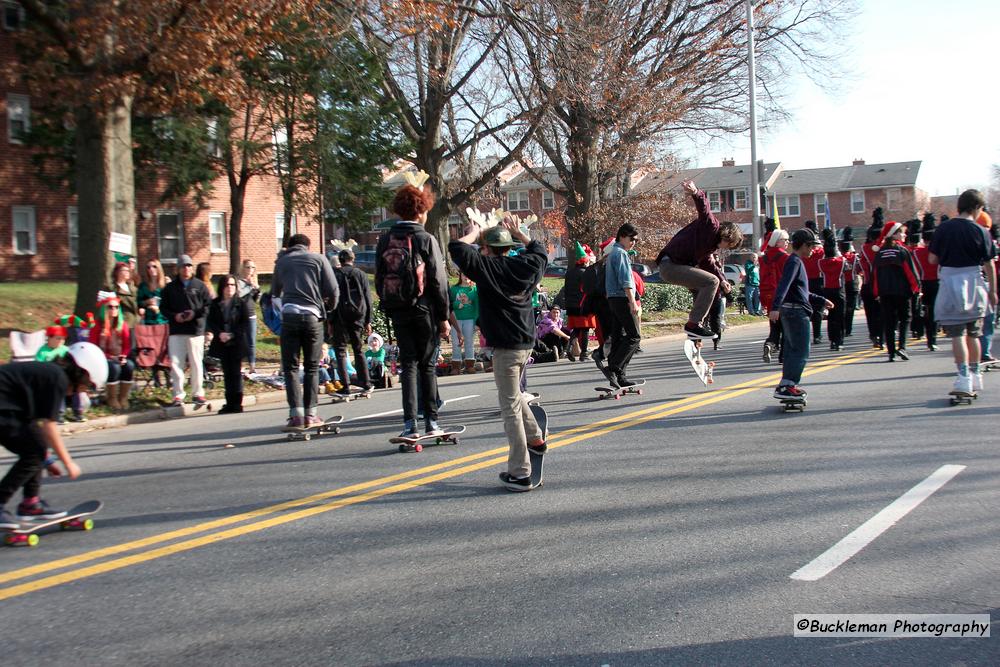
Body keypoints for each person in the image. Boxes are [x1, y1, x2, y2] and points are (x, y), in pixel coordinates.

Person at [449, 217, 547, 492]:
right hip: (526, 341)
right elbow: (540, 252)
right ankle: (536, 439)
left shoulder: (485, 267)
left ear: (488, 248)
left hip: (505, 346)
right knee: (514, 396)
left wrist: (475, 233)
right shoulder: (526, 264)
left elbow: (456, 247)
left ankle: (520, 472)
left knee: (509, 407)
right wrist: (521, 234)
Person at [0, 342, 107, 528]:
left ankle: (31, 504)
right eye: (87, 386)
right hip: (3, 410)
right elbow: (49, 426)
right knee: (34, 453)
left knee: (36, 449)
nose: (84, 390)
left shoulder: (50, 374)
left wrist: (47, 460)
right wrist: (68, 462)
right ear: (81, 372)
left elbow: (36, 426)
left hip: (8, 409)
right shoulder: (57, 379)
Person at [375, 180, 450, 438]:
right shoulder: (425, 238)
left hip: (398, 309)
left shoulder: (386, 239)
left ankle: (410, 423)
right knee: (427, 365)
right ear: (421, 211)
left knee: (408, 365)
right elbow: (439, 281)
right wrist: (443, 317)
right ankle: (431, 420)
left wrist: (389, 305)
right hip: (424, 309)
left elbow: (379, 278)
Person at [928, 189, 997, 394]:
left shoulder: (943, 229)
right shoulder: (981, 231)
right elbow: (989, 264)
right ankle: (976, 375)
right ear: (976, 207)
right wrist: (993, 290)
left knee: (957, 334)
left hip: (950, 281)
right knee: (974, 333)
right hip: (975, 282)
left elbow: (932, 259)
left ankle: (964, 376)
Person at [655, 179, 742, 339]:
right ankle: (693, 324)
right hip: (670, 266)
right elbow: (704, 209)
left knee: (705, 286)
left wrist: (722, 279)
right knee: (711, 282)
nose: (725, 248)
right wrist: (696, 192)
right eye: (728, 245)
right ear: (727, 236)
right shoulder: (711, 226)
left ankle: (695, 333)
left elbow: (708, 262)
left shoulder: (709, 247)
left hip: (676, 267)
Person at [271, 234, 339, 429]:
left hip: (290, 317)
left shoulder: (282, 262)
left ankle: (296, 415)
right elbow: (333, 290)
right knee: (311, 366)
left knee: (291, 367)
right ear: (307, 246)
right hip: (312, 317)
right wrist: (329, 308)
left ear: (290, 246)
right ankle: (311, 414)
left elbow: (275, 292)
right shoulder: (318, 259)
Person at [769, 229, 834, 400]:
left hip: (792, 309)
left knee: (792, 350)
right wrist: (775, 307)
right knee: (801, 351)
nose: (813, 249)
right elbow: (784, 284)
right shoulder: (795, 261)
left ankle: (786, 384)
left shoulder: (795, 261)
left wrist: (821, 300)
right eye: (811, 246)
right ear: (804, 245)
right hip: (796, 312)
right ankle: (788, 384)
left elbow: (801, 291)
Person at [160, 254, 212, 407]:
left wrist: (194, 314)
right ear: (178, 268)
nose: (187, 268)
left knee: (196, 363)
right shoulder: (170, 288)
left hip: (195, 330)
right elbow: (163, 308)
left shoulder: (199, 285)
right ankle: (178, 395)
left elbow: (208, 306)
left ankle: (198, 393)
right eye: (183, 266)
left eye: (189, 265)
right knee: (176, 364)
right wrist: (174, 316)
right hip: (177, 330)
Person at [872, 220, 921, 362]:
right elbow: (910, 272)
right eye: (902, 232)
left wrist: (876, 293)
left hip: (885, 293)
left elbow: (874, 274)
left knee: (889, 322)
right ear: (894, 235)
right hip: (902, 292)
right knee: (905, 319)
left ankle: (891, 352)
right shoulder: (902, 251)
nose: (904, 235)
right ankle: (902, 347)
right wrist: (916, 289)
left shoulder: (880, 253)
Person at [603, 223, 642, 387]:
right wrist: (632, 302)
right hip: (621, 298)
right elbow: (626, 280)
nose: (633, 242)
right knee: (634, 336)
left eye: (635, 240)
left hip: (613, 299)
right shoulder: (620, 254)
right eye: (632, 239)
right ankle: (613, 367)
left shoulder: (613, 253)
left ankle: (620, 377)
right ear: (623, 236)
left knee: (618, 338)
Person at [331, 248, 373, 395]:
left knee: (341, 351)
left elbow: (331, 297)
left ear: (340, 261)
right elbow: (368, 298)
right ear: (352, 259)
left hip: (340, 316)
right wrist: (368, 320)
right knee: (358, 349)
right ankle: (366, 383)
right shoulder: (360, 274)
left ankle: (346, 385)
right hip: (358, 315)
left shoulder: (335, 275)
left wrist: (330, 321)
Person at [207, 274, 251, 414]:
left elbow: (245, 323)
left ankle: (237, 403)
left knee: (236, 373)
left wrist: (232, 334)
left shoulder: (240, 303)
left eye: (232, 285)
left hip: (236, 342)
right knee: (227, 373)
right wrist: (219, 333)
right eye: (227, 285)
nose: (230, 288)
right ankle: (229, 402)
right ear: (222, 287)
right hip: (222, 342)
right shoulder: (215, 304)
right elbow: (211, 321)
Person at [88, 292, 135, 411]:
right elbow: (93, 347)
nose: (114, 309)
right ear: (104, 308)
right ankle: (112, 398)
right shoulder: (97, 326)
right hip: (102, 358)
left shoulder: (122, 325)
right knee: (114, 368)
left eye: (116, 307)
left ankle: (123, 397)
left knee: (129, 366)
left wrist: (123, 356)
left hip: (118, 356)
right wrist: (109, 356)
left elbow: (127, 345)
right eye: (110, 307)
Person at [760, 228, 790, 362]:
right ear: (777, 242)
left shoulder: (764, 258)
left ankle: (770, 343)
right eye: (785, 240)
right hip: (782, 295)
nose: (787, 242)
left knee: (774, 326)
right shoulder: (785, 257)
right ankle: (783, 356)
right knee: (786, 328)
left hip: (768, 295)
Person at [563, 242, 596, 361]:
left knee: (576, 329)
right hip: (582, 305)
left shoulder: (569, 273)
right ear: (585, 261)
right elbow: (589, 289)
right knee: (585, 329)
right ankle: (584, 354)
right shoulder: (585, 273)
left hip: (571, 305)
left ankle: (569, 348)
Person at [912, 214, 940, 351]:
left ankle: (924, 334)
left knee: (925, 312)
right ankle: (932, 340)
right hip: (937, 283)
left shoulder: (917, 252)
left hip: (922, 284)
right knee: (934, 313)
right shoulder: (939, 251)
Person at [859, 209, 885, 349]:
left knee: (871, 314)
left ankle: (874, 335)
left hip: (868, 285)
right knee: (883, 313)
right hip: (883, 285)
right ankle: (882, 336)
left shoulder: (864, 248)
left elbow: (860, 267)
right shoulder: (886, 248)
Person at [818, 229, 847, 351]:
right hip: (839, 291)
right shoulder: (841, 261)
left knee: (831, 317)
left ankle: (832, 341)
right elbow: (845, 265)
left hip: (827, 291)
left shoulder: (821, 262)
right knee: (840, 317)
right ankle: (839, 341)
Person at [448, 271, 479, 374]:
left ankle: (470, 365)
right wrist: (457, 304)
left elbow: (477, 307)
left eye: (468, 274)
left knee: (469, 343)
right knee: (456, 343)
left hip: (470, 320)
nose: (466, 276)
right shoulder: (454, 289)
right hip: (456, 320)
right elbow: (449, 304)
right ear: (460, 276)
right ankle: (456, 367)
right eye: (464, 274)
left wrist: (476, 322)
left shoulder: (474, 289)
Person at [978, 221, 999, 362]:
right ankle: (980, 353)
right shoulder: (979, 239)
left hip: (983, 282)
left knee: (988, 321)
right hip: (979, 283)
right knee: (983, 320)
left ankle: (984, 352)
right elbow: (989, 264)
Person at [237, 259, 261, 374]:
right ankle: (240, 365)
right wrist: (250, 286)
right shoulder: (239, 282)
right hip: (240, 315)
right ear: (243, 268)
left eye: (252, 268)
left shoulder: (254, 282)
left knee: (252, 342)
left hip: (251, 314)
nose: (250, 270)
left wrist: (257, 290)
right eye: (248, 267)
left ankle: (252, 366)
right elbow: (239, 295)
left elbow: (255, 300)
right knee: (241, 341)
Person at [838, 229, 860, 338]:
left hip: (842, 285)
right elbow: (860, 270)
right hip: (853, 284)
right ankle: (848, 329)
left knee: (843, 308)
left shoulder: (839, 258)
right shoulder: (855, 257)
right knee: (850, 308)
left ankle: (843, 328)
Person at [106, 262, 139, 331]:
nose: (127, 272)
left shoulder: (133, 288)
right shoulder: (112, 289)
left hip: (135, 323)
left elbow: (138, 303)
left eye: (128, 270)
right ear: (117, 272)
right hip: (121, 323)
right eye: (124, 270)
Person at [137, 259, 170, 325]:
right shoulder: (143, 286)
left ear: (159, 268)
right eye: (148, 267)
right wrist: (147, 302)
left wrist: (158, 310)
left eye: (154, 266)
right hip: (148, 321)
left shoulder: (166, 285)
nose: (151, 269)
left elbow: (170, 305)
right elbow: (138, 303)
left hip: (163, 321)